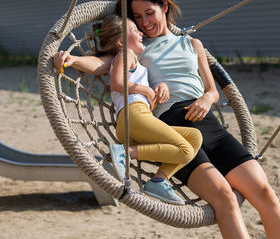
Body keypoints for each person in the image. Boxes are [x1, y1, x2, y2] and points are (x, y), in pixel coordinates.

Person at [55, 0, 280, 238]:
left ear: (164, 7)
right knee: (224, 197)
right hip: (170, 129)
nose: (145, 22)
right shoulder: (136, 46)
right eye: (137, 17)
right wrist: (72, 60)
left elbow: (213, 90)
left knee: (264, 192)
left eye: (149, 13)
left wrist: (206, 99)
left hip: (209, 125)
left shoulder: (192, 44)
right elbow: (102, 63)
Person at [54, 14, 202, 206]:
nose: (141, 33)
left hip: (138, 120)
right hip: (134, 115)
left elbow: (140, 92)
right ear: (122, 42)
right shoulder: (126, 55)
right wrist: (146, 90)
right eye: (135, 30)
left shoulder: (135, 62)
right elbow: (117, 84)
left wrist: (160, 88)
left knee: (194, 138)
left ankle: (158, 180)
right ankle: (126, 153)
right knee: (185, 150)